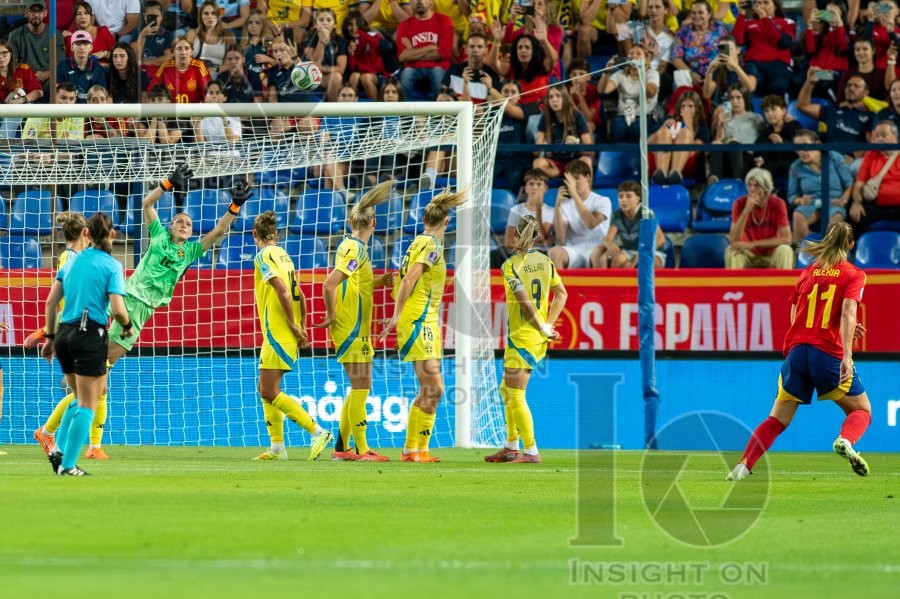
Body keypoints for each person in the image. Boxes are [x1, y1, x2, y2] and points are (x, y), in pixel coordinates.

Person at [33, 167, 250, 460]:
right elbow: (147, 203)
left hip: (140, 311)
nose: (184, 225)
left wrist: (234, 206)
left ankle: (74, 437)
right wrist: (167, 184)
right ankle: (56, 431)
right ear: (170, 226)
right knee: (95, 379)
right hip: (121, 298)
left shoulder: (191, 252)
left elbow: (220, 230)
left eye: (188, 223)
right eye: (179, 221)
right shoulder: (158, 235)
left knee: (99, 381)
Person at [727, 222, 872, 481]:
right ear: (851, 245)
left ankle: (742, 467)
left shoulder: (808, 272)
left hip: (797, 352)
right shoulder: (854, 274)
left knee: (777, 419)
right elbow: (849, 310)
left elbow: (796, 313)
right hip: (826, 353)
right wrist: (847, 354)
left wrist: (833, 327)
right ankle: (845, 440)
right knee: (861, 410)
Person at [379, 190, 468, 463]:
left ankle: (412, 450)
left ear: (423, 217)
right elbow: (408, 280)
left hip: (422, 319)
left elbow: (402, 278)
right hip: (418, 319)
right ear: (447, 222)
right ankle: (417, 450)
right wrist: (397, 316)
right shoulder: (430, 246)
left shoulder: (416, 242)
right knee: (436, 388)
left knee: (427, 388)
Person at [42, 213, 132, 476]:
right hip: (88, 334)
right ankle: (67, 465)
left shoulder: (70, 262)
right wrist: (127, 327)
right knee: (88, 404)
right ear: (112, 235)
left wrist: (49, 339)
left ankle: (56, 448)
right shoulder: (111, 265)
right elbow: (117, 308)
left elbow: (50, 303)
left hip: (63, 336)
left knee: (79, 397)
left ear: (87, 235)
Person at [313, 181, 396, 462]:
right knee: (362, 386)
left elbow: (352, 283)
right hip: (350, 326)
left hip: (355, 326)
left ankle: (341, 448)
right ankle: (361, 450)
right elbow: (329, 285)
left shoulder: (351, 246)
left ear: (351, 221)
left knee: (358, 386)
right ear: (374, 222)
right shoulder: (356, 250)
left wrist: (377, 281)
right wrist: (333, 313)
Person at [484, 215, 568, 464]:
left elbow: (524, 301)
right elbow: (561, 294)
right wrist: (548, 324)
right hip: (535, 336)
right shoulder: (545, 261)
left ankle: (530, 451)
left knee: (516, 393)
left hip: (524, 335)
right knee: (506, 390)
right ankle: (511, 447)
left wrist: (542, 326)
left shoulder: (511, 265)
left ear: (517, 235)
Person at [251, 211, 334, 461]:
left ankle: (317, 431)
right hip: (287, 331)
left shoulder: (263, 256)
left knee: (268, 390)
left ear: (254, 234)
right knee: (265, 389)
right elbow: (301, 294)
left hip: (279, 330)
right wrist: (302, 324)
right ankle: (277, 448)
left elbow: (284, 292)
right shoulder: (284, 256)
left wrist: (292, 324)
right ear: (275, 234)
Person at [787, 129, 853, 244]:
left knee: (836, 220)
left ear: (817, 143)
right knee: (798, 216)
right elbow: (791, 196)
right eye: (798, 147)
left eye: (805, 146)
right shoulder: (795, 167)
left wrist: (843, 199)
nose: (802, 151)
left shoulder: (834, 157)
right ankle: (804, 257)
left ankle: (832, 257)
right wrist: (800, 200)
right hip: (812, 203)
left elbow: (849, 184)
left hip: (834, 202)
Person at [547, 160, 612, 269]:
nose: (574, 183)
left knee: (598, 254)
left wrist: (574, 194)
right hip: (574, 248)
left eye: (577, 178)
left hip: (596, 247)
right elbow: (561, 238)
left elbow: (591, 223)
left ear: (588, 177)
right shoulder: (565, 205)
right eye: (571, 180)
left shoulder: (602, 201)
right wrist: (558, 207)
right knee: (554, 252)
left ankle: (599, 285)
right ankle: (561, 286)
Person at [725, 167, 793, 269]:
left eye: (756, 186)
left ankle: (784, 285)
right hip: (748, 254)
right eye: (749, 185)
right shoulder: (739, 203)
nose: (752, 189)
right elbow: (733, 239)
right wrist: (746, 210)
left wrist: (753, 244)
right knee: (732, 251)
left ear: (766, 188)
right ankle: (735, 285)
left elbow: (787, 239)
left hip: (771, 254)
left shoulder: (778, 203)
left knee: (785, 250)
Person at [592, 180, 667, 268]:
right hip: (629, 251)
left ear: (638, 199)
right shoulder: (617, 215)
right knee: (617, 260)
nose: (624, 200)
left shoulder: (646, 214)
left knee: (648, 262)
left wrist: (642, 253)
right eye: (621, 196)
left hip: (650, 250)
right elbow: (608, 238)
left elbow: (661, 240)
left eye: (628, 196)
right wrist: (608, 244)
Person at [849, 120, 900, 235]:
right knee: (854, 217)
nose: (880, 139)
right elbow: (859, 184)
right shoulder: (871, 154)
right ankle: (853, 251)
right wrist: (856, 203)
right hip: (877, 205)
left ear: (895, 135)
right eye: (877, 136)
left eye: (884, 135)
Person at [648, 90, 710, 185]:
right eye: (683, 106)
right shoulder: (667, 119)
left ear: (697, 108)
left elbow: (697, 149)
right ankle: (662, 173)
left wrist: (689, 126)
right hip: (659, 161)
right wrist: (663, 127)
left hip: (686, 164)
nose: (686, 109)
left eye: (690, 106)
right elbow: (648, 143)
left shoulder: (702, 129)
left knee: (685, 132)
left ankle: (675, 174)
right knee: (665, 129)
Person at [395, 0, 454, 100]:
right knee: (406, 75)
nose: (419, 1)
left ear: (432, 2)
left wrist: (412, 51)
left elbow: (443, 53)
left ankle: (440, 114)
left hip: (438, 66)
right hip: (412, 68)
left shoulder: (444, 20)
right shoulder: (404, 25)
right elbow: (402, 56)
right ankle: (405, 114)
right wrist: (430, 47)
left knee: (438, 74)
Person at [532, 84, 594, 177]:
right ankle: (563, 175)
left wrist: (575, 146)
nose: (554, 100)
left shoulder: (577, 116)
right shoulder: (545, 117)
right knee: (537, 163)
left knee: (586, 161)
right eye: (551, 97)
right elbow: (536, 152)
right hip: (555, 163)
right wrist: (543, 146)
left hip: (574, 162)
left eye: (558, 96)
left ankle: (587, 190)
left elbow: (589, 150)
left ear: (565, 98)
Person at [149, 37, 213, 103]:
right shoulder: (165, 67)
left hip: (194, 111)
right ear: (173, 52)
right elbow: (152, 91)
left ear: (192, 51)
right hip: (171, 111)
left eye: (187, 48)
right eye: (179, 49)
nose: (183, 52)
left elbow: (210, 92)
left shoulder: (199, 66)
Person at [56, 30, 107, 103]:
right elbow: (58, 94)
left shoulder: (98, 68)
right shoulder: (61, 66)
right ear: (72, 47)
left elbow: (101, 96)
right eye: (78, 44)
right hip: (68, 110)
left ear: (91, 47)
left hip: (90, 111)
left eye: (85, 43)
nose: (82, 47)